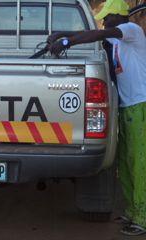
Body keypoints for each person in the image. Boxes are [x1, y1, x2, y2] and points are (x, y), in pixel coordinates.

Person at [47, 0, 146, 236]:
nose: (103, 20)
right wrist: (65, 33)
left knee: (139, 164)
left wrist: (68, 41)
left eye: (106, 16)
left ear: (117, 16)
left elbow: (101, 32)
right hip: (127, 107)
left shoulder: (131, 31)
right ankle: (132, 212)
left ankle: (142, 217)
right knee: (125, 163)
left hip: (140, 106)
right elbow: (94, 34)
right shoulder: (118, 39)